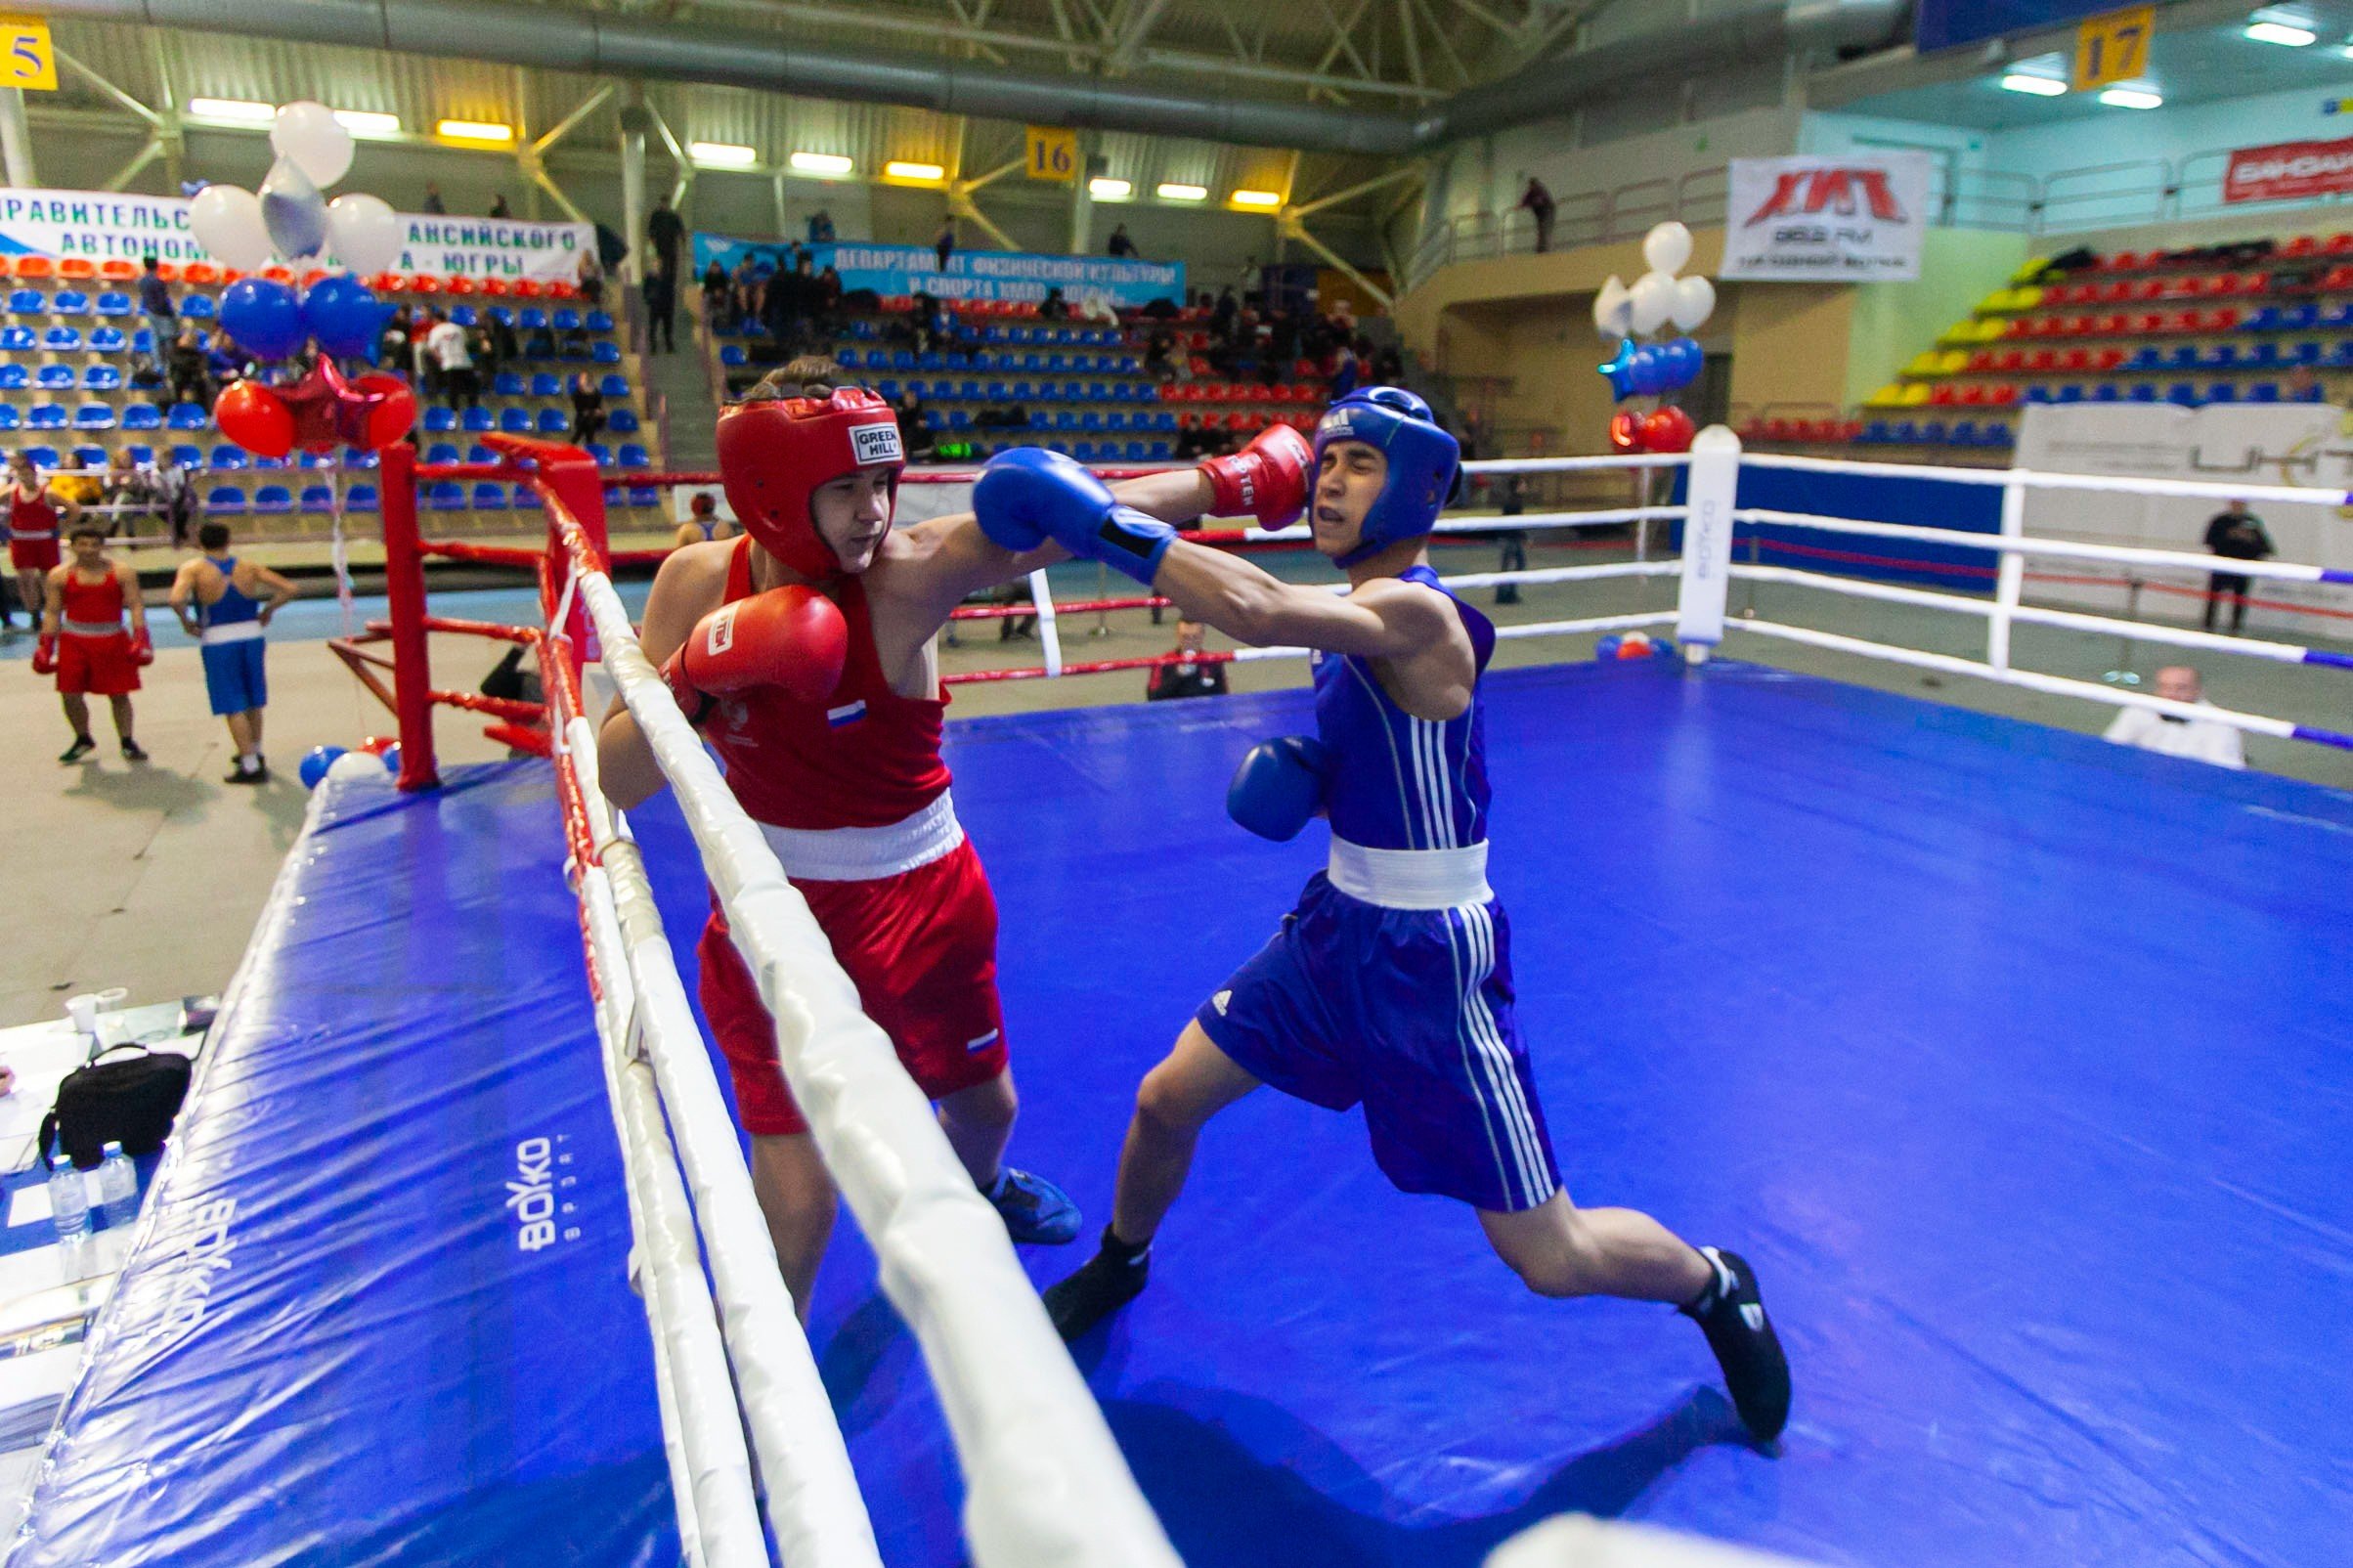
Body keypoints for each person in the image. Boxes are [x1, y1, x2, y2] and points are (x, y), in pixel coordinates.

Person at [993, 386, 1791, 1446]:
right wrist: (1319, 780)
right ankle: (1120, 1260)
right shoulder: (1360, 614)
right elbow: (1415, 760)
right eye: (1323, 461)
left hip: (1430, 960)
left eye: (1358, 463)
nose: (1326, 480)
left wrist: (1097, 518)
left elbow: (1258, 611)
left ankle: (1708, 1280)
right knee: (1162, 1099)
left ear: (1415, 486)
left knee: (1551, 1256)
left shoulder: (1410, 609)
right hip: (1334, 931)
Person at [593, 384, 1311, 1315]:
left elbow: (1079, 520)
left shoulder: (907, 572)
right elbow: (617, 775)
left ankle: (977, 1190)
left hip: (920, 898)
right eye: (844, 487)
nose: (875, 511)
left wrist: (1230, 479)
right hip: (772, 913)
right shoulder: (693, 585)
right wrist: (697, 671)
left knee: (988, 1111)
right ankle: (762, 1422)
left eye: (883, 482)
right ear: (767, 490)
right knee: (801, 1202)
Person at [170, 521, 294, 784]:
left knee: (231, 702)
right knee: (253, 698)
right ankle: (256, 752)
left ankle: (249, 764)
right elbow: (289, 588)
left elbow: (176, 598)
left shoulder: (193, 569)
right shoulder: (248, 567)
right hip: (251, 634)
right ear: (229, 541)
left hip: (218, 638)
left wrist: (187, 622)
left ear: (200, 543)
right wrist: (267, 610)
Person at [36, 523, 150, 764]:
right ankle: (83, 737)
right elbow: (53, 611)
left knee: (119, 693)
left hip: (112, 639)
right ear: (73, 546)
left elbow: (135, 604)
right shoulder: (59, 575)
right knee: (69, 693)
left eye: (94, 544)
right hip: (74, 641)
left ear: (102, 546)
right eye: (83, 544)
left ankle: (127, 741)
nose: (89, 549)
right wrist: (46, 645)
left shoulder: (121, 572)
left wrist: (141, 637)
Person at [2102, 665, 2245, 769]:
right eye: (2164, 687)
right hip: (2142, 777)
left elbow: (2225, 770)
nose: (2171, 694)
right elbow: (2111, 748)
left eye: (2181, 688)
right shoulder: (2138, 710)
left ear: (2198, 691)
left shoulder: (2220, 723)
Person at [5, 451, 73, 642]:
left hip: (45, 540)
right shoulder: (11, 491)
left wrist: (61, 528)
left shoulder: (48, 492)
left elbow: (74, 508)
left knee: (49, 580)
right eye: (22, 474)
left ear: (35, 474)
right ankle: (35, 618)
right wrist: (4, 526)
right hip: (21, 540)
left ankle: (54, 617)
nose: (25, 477)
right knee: (25, 580)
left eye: (28, 474)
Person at [2201, 499, 2274, 634]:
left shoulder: (2252, 522)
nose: (2237, 506)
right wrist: (2228, 536)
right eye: (2235, 503)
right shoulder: (2220, 521)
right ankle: (2208, 625)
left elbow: (2266, 547)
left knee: (2240, 598)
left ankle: (2235, 626)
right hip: (2221, 565)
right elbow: (2209, 541)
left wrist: (2249, 539)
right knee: (2214, 596)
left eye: (2241, 504)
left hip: (2242, 567)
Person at [1143, 620, 1228, 702]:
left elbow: (1223, 697)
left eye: (1195, 637)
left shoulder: (1212, 661)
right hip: (1174, 713)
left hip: (1203, 712)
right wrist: (1177, 676)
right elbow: (1152, 698)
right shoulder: (1163, 662)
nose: (1190, 642)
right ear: (1178, 635)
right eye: (1185, 637)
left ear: (1202, 635)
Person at [145, 444, 197, 547]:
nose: (160, 461)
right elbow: (155, 488)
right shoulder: (154, 472)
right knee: (162, 509)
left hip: (177, 497)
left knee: (183, 510)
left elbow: (182, 487)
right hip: (162, 498)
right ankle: (181, 534)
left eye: (162, 458)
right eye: (157, 458)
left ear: (169, 459)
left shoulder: (178, 470)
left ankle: (178, 535)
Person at [427, 312, 478, 410]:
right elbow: (465, 344)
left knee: (453, 392)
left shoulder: (436, 330)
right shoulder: (458, 328)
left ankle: (454, 411)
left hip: (449, 363)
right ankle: (472, 409)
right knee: (471, 389)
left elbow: (432, 349)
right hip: (465, 363)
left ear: (436, 320)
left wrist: (440, 360)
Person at [137, 255, 175, 373]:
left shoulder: (142, 281)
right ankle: (169, 364)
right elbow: (162, 300)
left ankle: (158, 364)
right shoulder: (158, 282)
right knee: (168, 339)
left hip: (150, 312)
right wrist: (170, 313)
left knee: (155, 339)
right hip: (162, 313)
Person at [167, 324, 211, 410]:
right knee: (177, 381)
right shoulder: (174, 351)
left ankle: (204, 409)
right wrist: (190, 364)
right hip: (179, 375)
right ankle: (176, 408)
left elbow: (201, 365)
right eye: (186, 339)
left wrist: (191, 365)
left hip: (193, 375)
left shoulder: (197, 353)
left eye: (190, 340)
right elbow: (179, 363)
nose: (188, 341)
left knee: (201, 381)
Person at [647, 194, 686, 281]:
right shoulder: (656, 215)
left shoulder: (673, 215)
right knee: (662, 261)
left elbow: (680, 228)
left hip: (671, 242)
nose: (665, 205)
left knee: (671, 261)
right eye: (663, 202)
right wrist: (652, 239)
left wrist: (683, 239)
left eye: (666, 203)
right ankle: (662, 277)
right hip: (660, 243)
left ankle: (671, 277)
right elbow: (651, 228)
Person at [642, 254, 676, 354]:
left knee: (667, 326)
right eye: (655, 263)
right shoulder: (649, 277)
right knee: (653, 326)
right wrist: (648, 299)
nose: (656, 265)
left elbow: (671, 290)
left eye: (658, 263)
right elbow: (646, 289)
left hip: (666, 305)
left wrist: (671, 304)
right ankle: (653, 346)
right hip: (654, 305)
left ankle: (669, 344)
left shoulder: (667, 276)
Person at [1518, 176, 1557, 253]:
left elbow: (1539, 201)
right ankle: (1541, 250)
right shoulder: (1530, 193)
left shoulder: (1541, 190)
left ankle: (1546, 249)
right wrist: (1523, 205)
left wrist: (1529, 204)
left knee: (1545, 230)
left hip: (1547, 212)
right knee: (1541, 231)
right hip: (1540, 215)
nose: (1532, 187)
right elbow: (1524, 202)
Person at [567, 370, 606, 446]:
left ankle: (573, 442)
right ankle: (590, 443)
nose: (581, 380)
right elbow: (579, 409)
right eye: (580, 378)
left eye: (583, 378)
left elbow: (598, 407)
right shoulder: (577, 393)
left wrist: (598, 412)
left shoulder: (596, 392)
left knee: (588, 420)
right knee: (587, 421)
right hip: (583, 418)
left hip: (595, 418)